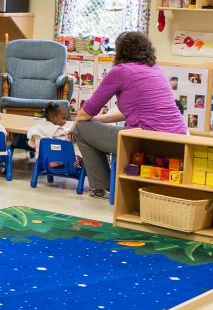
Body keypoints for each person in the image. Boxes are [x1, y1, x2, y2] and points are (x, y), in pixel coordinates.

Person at [72, 31, 187, 198]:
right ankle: (106, 185)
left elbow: (87, 111)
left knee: (81, 129)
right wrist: (97, 120)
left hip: (145, 140)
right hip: (177, 139)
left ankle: (102, 187)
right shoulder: (155, 69)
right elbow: (131, 112)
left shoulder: (120, 71)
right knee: (88, 125)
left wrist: (75, 124)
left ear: (120, 51)